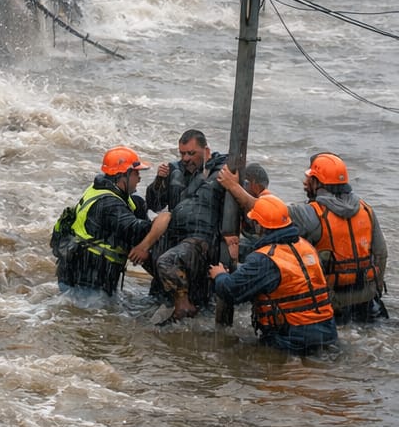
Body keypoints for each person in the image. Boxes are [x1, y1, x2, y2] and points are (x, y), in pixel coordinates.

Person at [208, 193, 338, 354]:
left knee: (233, 359)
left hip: (292, 339)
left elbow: (231, 291)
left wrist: (219, 275)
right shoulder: (305, 246)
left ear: (260, 226)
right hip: (327, 332)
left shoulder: (265, 260)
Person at [51, 146, 170, 296]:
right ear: (123, 176)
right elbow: (139, 231)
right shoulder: (109, 205)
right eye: (136, 173)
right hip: (86, 285)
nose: (139, 178)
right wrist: (166, 217)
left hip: (79, 276)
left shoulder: (102, 189)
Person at [289, 153, 388, 323]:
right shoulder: (366, 210)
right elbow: (381, 254)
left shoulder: (311, 213)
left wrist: (235, 188)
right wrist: (376, 289)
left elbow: (267, 212)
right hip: (366, 301)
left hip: (332, 303)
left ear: (316, 182)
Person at [143, 129, 229, 318]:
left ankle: (184, 305)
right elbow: (155, 205)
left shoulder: (222, 171)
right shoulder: (175, 170)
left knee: (167, 261)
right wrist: (159, 182)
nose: (186, 158)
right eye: (182, 153)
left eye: (191, 153)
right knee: (136, 244)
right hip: (174, 235)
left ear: (206, 151)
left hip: (202, 240)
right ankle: (166, 292)